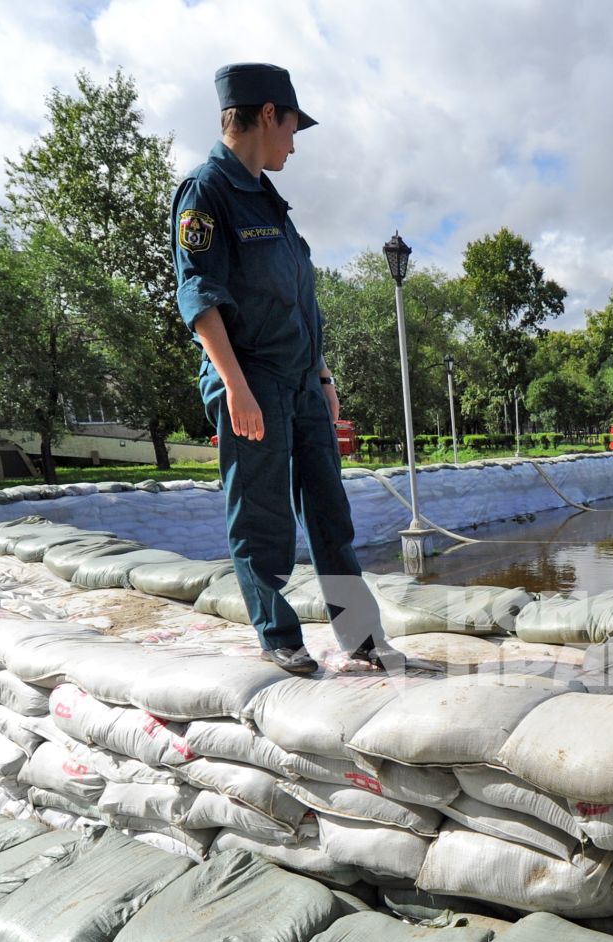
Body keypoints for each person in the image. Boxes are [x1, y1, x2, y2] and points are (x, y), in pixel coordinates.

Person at [170, 62, 393, 677]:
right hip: (253, 379)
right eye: (293, 127)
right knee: (263, 517)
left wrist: (322, 378)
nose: (295, 143)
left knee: (330, 511)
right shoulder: (206, 193)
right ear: (268, 114)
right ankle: (278, 634)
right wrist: (237, 389)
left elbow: (300, 301)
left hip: (299, 380)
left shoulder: (272, 201)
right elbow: (200, 297)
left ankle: (361, 635)